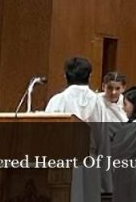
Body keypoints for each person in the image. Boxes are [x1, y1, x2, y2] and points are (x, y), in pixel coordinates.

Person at [45, 56, 103, 202]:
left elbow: (47, 133)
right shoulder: (98, 102)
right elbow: (102, 137)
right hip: (91, 160)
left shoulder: (57, 100)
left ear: (65, 76)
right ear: (89, 76)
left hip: (62, 163)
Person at [98, 72, 128, 195]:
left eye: (117, 88)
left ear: (123, 88)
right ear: (103, 86)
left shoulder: (127, 103)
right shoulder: (97, 101)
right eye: (110, 88)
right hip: (104, 146)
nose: (113, 92)